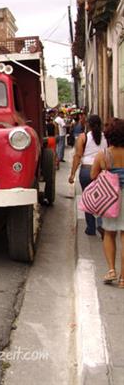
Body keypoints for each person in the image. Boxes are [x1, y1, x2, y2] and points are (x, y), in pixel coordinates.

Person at [90, 119, 124, 288]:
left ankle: (111, 269)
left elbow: (93, 175)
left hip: (112, 199)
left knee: (109, 233)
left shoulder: (103, 154)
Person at [69, 114, 108, 237]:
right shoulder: (106, 137)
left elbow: (78, 156)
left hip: (86, 170)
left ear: (88, 125)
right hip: (102, 171)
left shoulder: (83, 137)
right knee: (102, 198)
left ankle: (90, 228)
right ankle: (101, 223)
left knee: (87, 198)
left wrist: (72, 174)